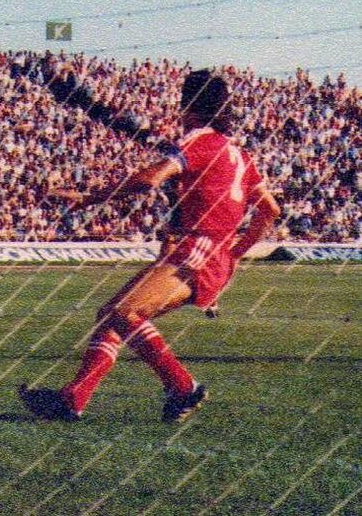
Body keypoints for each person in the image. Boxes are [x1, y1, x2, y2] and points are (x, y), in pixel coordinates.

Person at [18, 69, 281, 423]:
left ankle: (182, 386)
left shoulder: (199, 140)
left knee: (126, 312)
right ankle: (72, 398)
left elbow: (150, 179)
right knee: (113, 315)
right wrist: (233, 254)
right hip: (207, 253)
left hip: (198, 250)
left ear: (188, 104)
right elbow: (269, 210)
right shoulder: (240, 156)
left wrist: (90, 196)